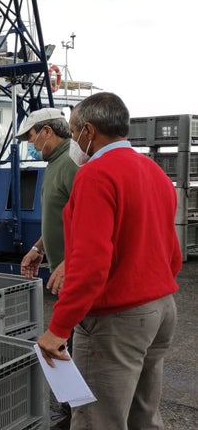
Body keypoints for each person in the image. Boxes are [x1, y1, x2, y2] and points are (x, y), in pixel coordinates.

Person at [36, 92, 181, 430]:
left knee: (98, 419)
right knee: (143, 413)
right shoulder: (155, 172)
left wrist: (59, 328)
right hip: (161, 310)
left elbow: (89, 265)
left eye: (73, 133)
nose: (75, 140)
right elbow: (170, 252)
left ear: (88, 131)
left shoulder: (96, 175)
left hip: (117, 319)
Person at [17, 108, 78, 294]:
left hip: (74, 273)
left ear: (46, 131)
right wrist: (39, 247)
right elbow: (61, 215)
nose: (30, 143)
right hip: (66, 271)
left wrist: (71, 264)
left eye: (30, 135)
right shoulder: (56, 162)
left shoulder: (72, 162)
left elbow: (92, 221)